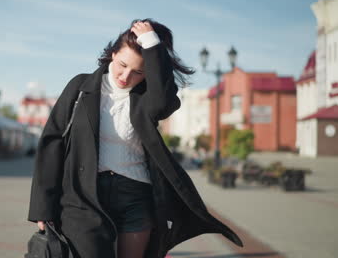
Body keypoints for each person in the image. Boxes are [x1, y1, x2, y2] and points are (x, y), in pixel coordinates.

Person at [28, 18, 243, 258]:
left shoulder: (147, 98)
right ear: (112, 53)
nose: (126, 75)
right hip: (85, 196)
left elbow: (164, 101)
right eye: (122, 64)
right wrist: (42, 206)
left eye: (138, 71)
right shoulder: (80, 87)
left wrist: (153, 44)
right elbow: (52, 142)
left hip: (136, 195)